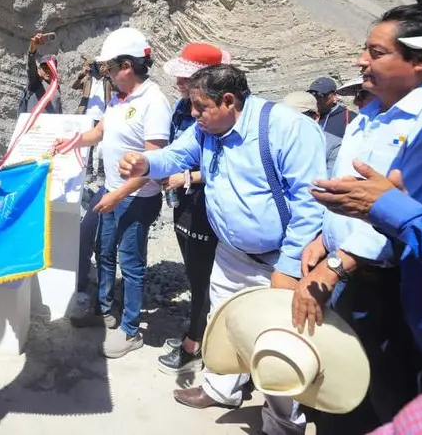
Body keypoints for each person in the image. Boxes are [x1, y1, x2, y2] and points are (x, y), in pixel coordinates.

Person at [291, 6, 422, 433]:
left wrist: (335, 266)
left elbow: (407, 212)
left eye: (375, 52)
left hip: (382, 288)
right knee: (335, 390)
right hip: (342, 277)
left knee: (380, 394)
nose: (361, 61)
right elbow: (350, 192)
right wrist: (323, 236)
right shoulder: (373, 111)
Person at [118, 63, 326, 435]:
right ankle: (222, 388)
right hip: (230, 253)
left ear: (228, 101)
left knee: (274, 343)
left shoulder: (287, 129)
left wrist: (291, 265)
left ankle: (283, 423)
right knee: (224, 324)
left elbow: (310, 203)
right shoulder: (208, 129)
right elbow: (176, 156)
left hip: (276, 260)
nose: (194, 116)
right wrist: (146, 162)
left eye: (200, 107)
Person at [64, 27, 171, 360]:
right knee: (103, 252)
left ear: (127, 65)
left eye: (110, 66)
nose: (105, 71)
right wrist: (69, 141)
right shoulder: (118, 99)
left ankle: (130, 330)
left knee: (132, 263)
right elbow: (99, 132)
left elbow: (151, 164)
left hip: (137, 199)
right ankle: (105, 308)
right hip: (112, 192)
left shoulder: (155, 102)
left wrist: (117, 195)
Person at [156, 42, 229, 375]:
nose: (178, 84)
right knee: (195, 273)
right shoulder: (181, 108)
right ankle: (199, 333)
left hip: (203, 202)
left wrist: (183, 175)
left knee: (202, 278)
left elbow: (221, 165)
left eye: (185, 78)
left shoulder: (218, 117)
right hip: (183, 198)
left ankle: (195, 345)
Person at [281, 91, 342, 173]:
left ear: (315, 117)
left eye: (295, 117)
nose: (288, 121)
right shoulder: (274, 143)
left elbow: (331, 182)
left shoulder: (334, 146)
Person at [73, 58, 112, 177]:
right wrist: (82, 74)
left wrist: (109, 72)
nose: (99, 68)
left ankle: (101, 173)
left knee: (103, 146)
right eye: (97, 65)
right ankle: (88, 172)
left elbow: (118, 86)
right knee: (87, 146)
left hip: (103, 117)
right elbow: (75, 86)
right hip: (87, 116)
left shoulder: (108, 80)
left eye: (101, 65)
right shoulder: (88, 79)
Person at [19, 32, 61, 115]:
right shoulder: (35, 83)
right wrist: (32, 50)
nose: (48, 71)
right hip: (34, 127)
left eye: (51, 69)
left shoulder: (56, 89)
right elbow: (31, 66)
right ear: (39, 69)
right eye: (45, 68)